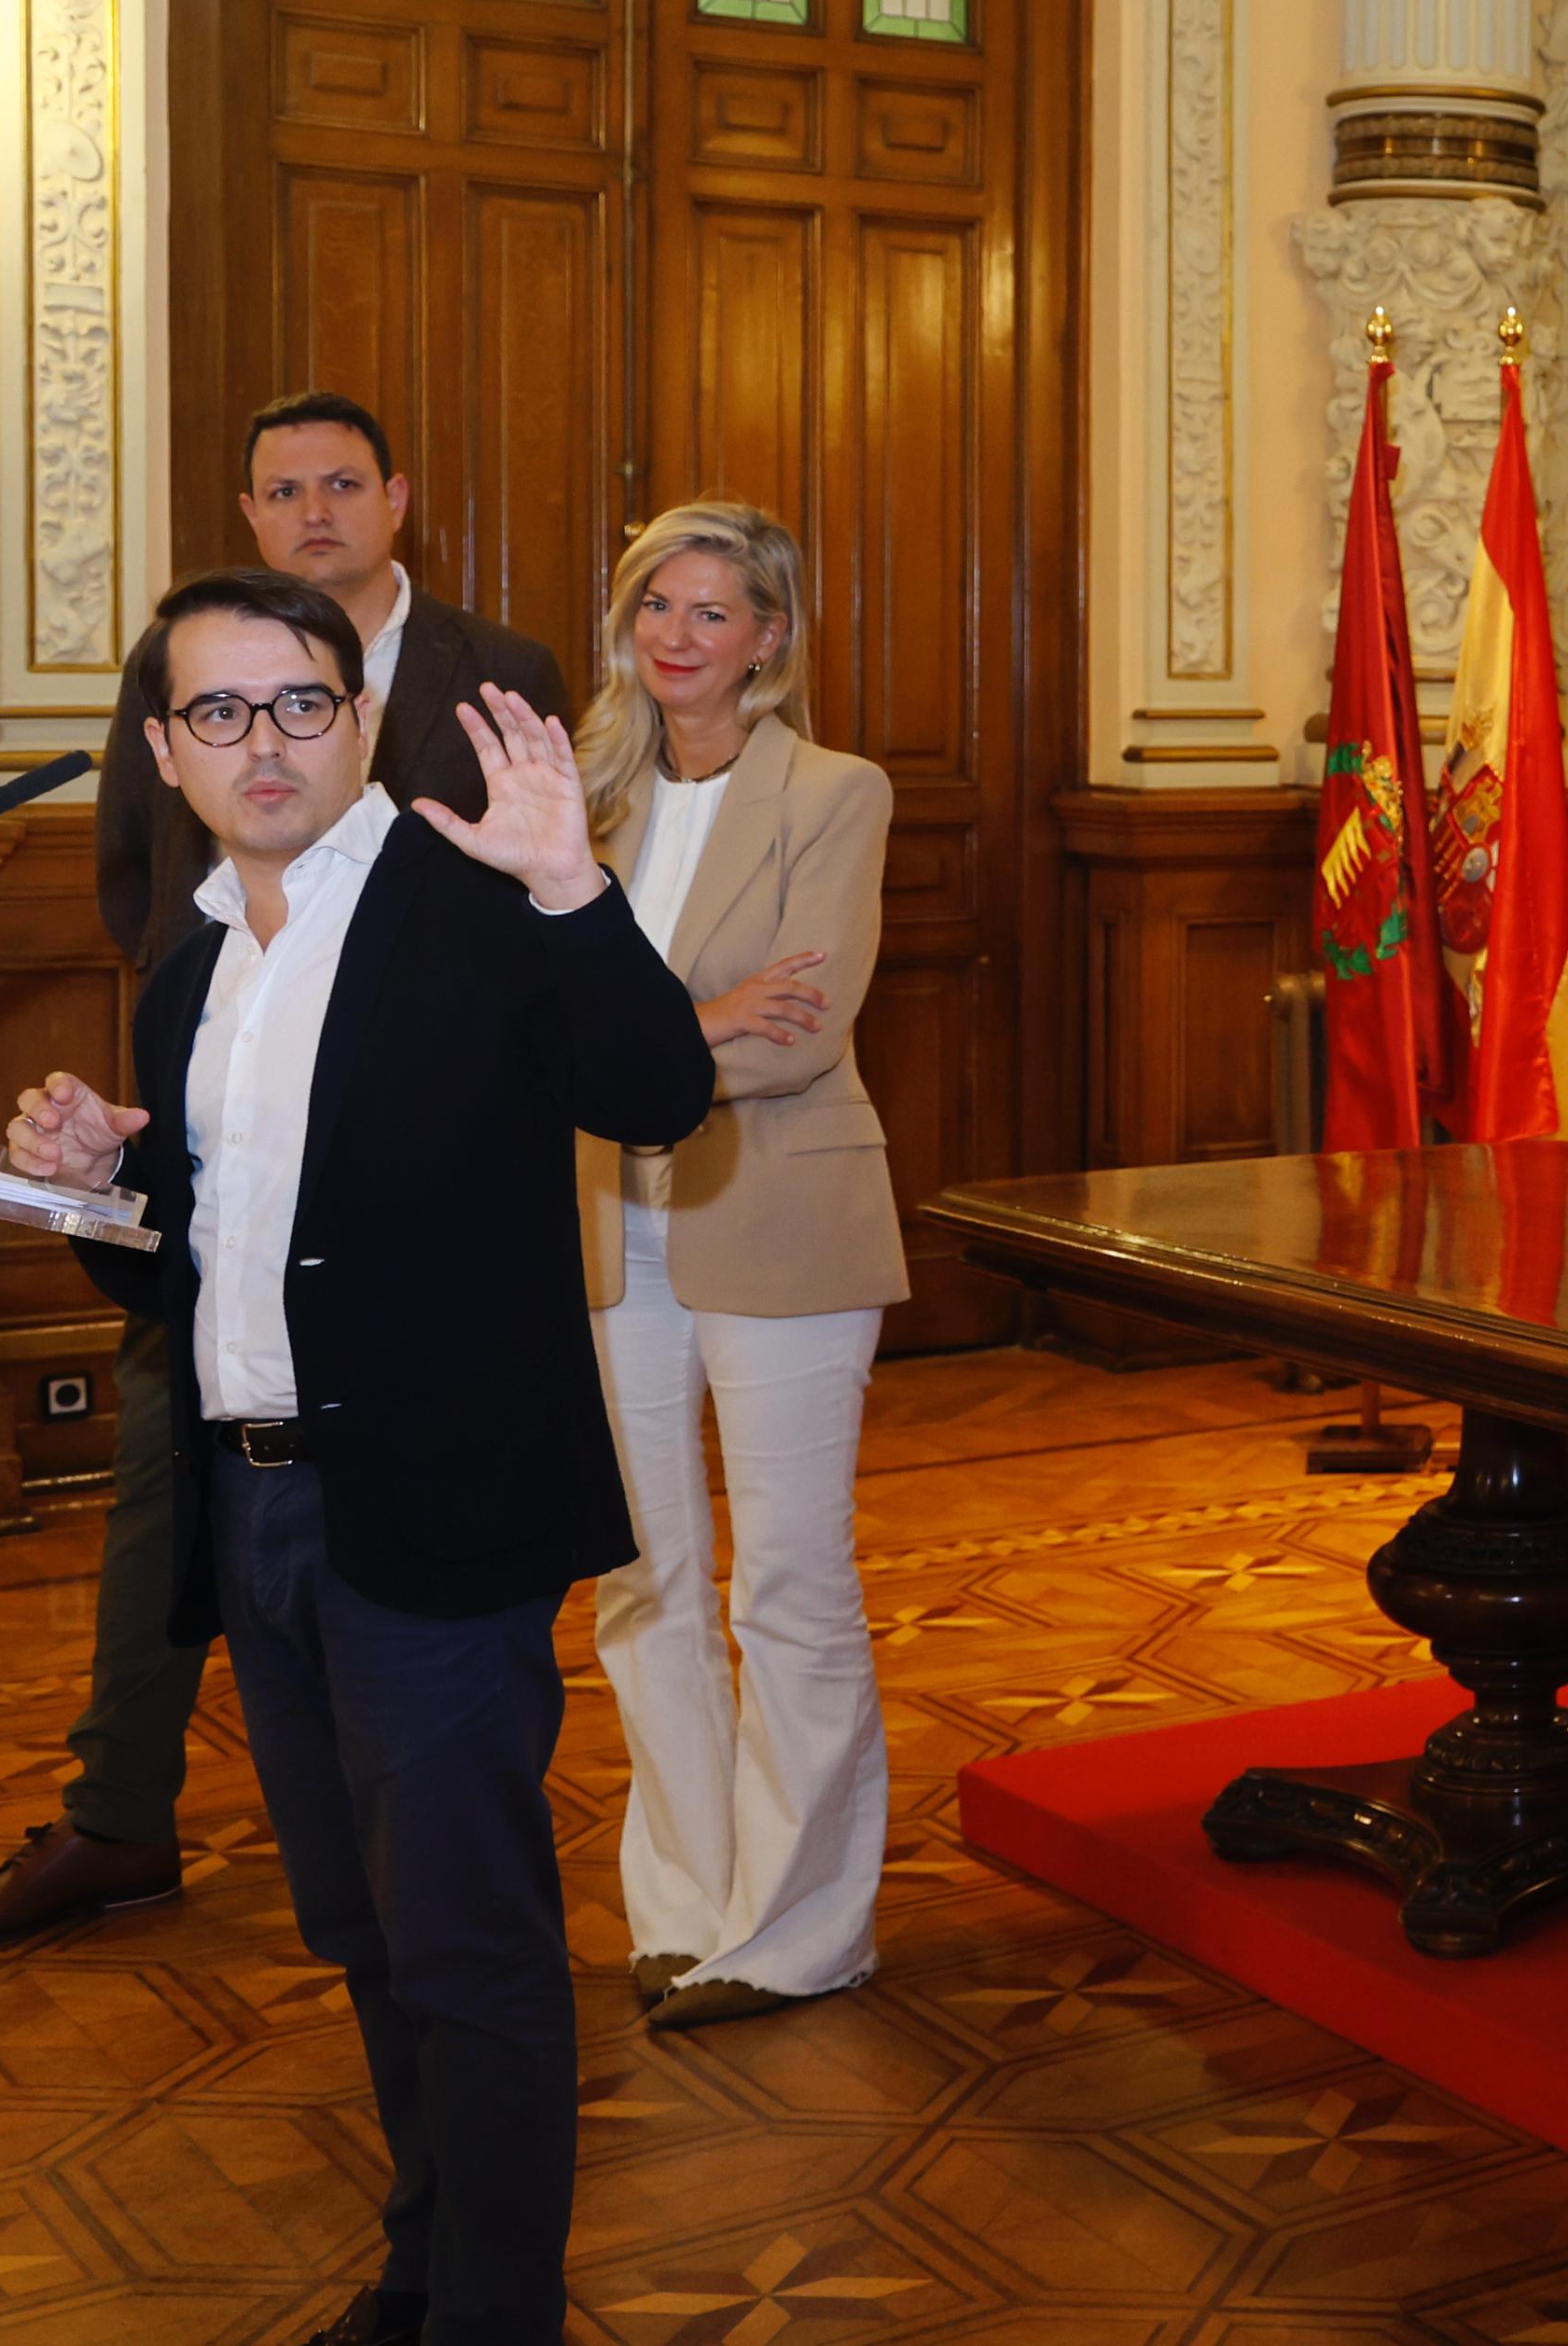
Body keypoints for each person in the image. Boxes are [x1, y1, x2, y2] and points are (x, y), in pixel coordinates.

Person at [4, 562, 709, 2346]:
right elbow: (195, 1258)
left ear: (362, 720)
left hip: (432, 1512)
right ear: (165, 748)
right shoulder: (190, 970)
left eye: (301, 703)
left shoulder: (471, 903)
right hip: (254, 1515)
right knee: (366, 1933)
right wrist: (101, 1182)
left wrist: (572, 884)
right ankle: (423, 2273)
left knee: (468, 1946)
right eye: (219, 710)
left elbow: (658, 1091)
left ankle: (496, 2315)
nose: (265, 741)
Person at [0, 393, 571, 1961]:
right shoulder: (182, 671)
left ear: (398, 499)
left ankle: (416, 1876)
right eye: (282, 488)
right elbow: (143, 882)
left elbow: (538, 945)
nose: (313, 510)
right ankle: (120, 1806)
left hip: (412, 1230)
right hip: (219, 1140)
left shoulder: (496, 668)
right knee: (174, 1494)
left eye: (343, 483)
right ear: (250, 510)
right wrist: (205, 1053)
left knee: (435, 1816)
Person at [566, 503, 906, 2032]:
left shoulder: (835, 791)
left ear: (770, 635)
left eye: (714, 609)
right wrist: (699, 1019)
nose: (679, 633)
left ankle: (803, 1924)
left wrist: (624, 1042)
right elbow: (539, 1018)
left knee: (788, 1581)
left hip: (784, 1218)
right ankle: (688, 1901)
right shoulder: (583, 799)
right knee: (641, 1580)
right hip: (608, 1224)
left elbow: (804, 1034)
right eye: (658, 604)